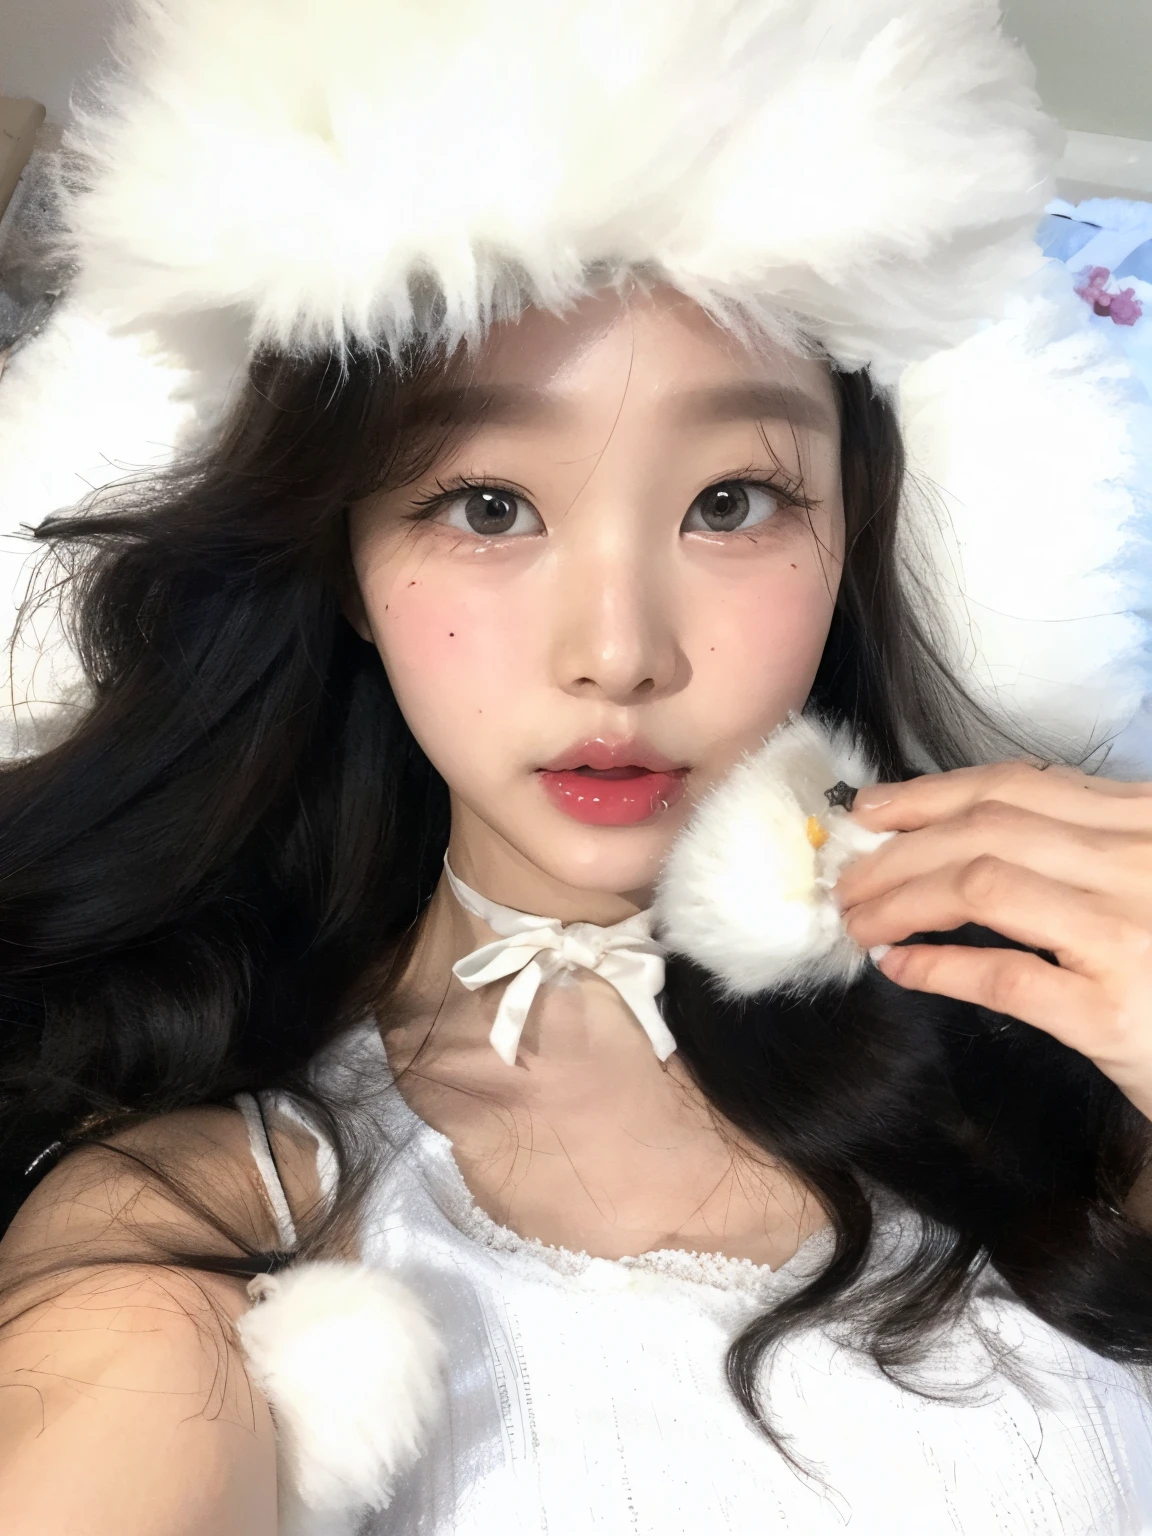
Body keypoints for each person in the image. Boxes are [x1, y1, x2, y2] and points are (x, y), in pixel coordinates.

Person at [2, 0, 1152, 1532]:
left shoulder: (1069, 1061)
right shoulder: (189, 1213)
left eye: (733, 501)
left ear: (857, 537)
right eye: (486, 506)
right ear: (347, 564)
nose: (618, 652)